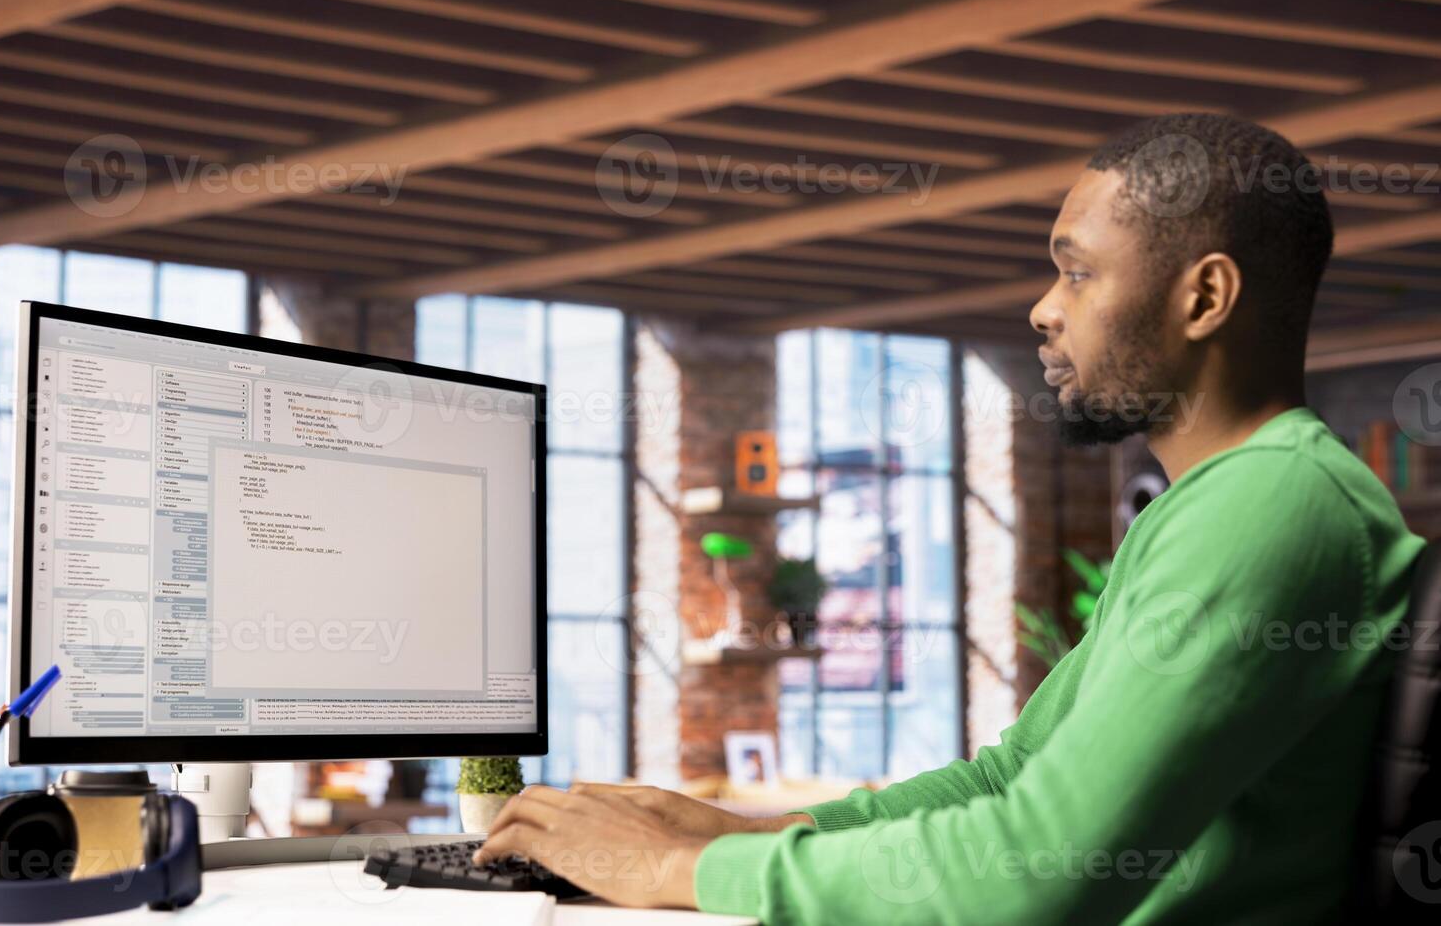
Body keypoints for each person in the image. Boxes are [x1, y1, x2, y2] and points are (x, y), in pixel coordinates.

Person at [475, 114, 1428, 923]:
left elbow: (1036, 869)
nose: (1042, 310)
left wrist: (680, 869)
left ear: (1204, 297)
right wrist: (741, 831)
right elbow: (1008, 780)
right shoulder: (1208, 504)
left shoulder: (1269, 503)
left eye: (1078, 274)